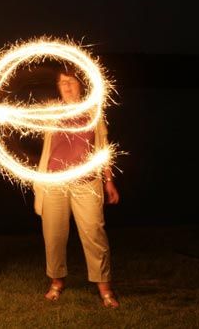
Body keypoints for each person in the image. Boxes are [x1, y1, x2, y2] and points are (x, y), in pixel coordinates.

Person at [34, 69, 120, 308]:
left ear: (81, 85)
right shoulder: (53, 111)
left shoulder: (94, 111)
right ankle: (56, 283)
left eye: (71, 82)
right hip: (54, 182)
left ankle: (105, 288)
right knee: (54, 236)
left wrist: (108, 179)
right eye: (62, 83)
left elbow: (103, 147)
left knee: (94, 233)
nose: (67, 87)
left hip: (86, 182)